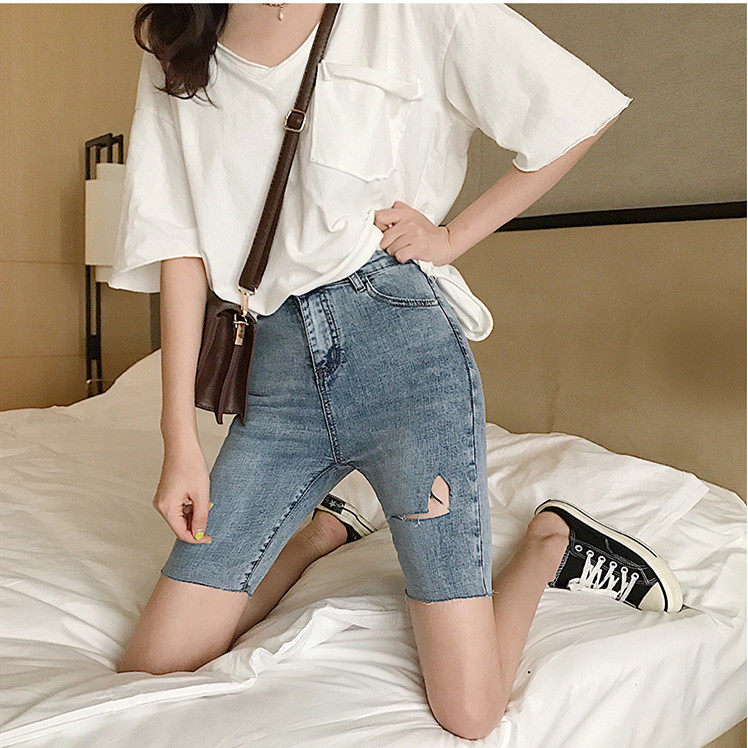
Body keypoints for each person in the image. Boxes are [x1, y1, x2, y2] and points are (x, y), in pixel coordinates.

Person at [110, 3, 682, 739]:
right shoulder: (179, 38)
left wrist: (452, 237)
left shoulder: (404, 9)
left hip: (403, 362)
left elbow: (574, 113)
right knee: (153, 666)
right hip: (274, 379)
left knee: (470, 712)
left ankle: (551, 542)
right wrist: (179, 440)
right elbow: (179, 245)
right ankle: (325, 533)